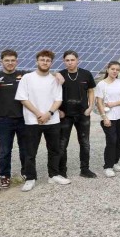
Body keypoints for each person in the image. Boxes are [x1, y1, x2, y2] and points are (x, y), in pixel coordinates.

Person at [0, 49, 64, 189]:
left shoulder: (25, 75)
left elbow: (43, 72)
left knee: (25, 149)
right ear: (1, 62)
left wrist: (58, 74)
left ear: (17, 61)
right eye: (7, 60)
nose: (10, 63)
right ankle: (4, 175)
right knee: (5, 150)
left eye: (13, 60)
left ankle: (26, 173)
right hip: (4, 120)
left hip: (23, 119)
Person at [15, 49, 71, 192]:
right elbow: (23, 98)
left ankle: (54, 175)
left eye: (48, 60)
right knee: (30, 152)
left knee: (54, 149)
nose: (45, 62)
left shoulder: (55, 79)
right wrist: (39, 114)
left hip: (52, 120)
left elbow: (58, 99)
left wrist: (49, 113)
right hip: (32, 121)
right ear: (37, 61)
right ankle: (30, 178)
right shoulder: (27, 78)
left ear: (51, 63)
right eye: (42, 60)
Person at [58, 50, 97, 179]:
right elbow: (53, 93)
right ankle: (62, 171)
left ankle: (85, 169)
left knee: (85, 142)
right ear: (64, 61)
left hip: (83, 114)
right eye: (67, 60)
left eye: (72, 60)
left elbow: (91, 91)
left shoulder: (86, 74)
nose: (70, 62)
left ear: (77, 60)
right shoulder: (60, 75)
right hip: (65, 115)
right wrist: (58, 110)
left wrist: (90, 107)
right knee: (63, 143)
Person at [95, 61, 120, 178]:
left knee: (119, 140)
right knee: (111, 140)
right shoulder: (101, 84)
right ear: (107, 69)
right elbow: (99, 102)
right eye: (112, 69)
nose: (115, 71)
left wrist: (114, 103)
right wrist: (104, 117)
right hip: (108, 117)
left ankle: (115, 162)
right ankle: (107, 166)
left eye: (117, 70)